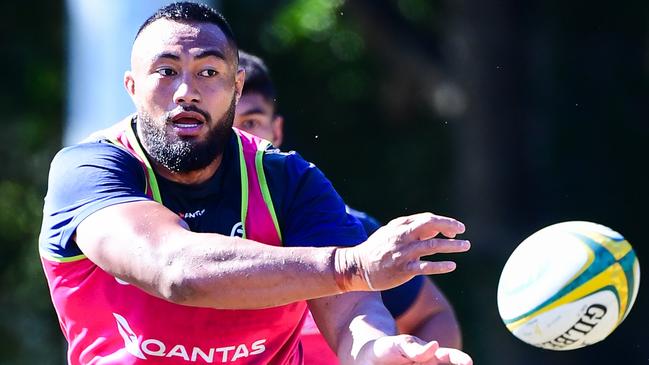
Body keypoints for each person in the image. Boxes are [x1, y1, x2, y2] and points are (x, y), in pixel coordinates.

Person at [39, 3, 472, 365]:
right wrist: (350, 267)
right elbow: (177, 271)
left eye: (209, 72)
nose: (186, 90)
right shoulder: (89, 171)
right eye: (166, 71)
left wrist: (377, 352)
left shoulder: (290, 180)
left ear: (236, 85)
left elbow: (352, 317)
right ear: (132, 87)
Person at [233, 51, 463, 364]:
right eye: (228, 126)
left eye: (251, 121)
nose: (241, 138)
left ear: (277, 131)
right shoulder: (170, 232)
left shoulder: (346, 230)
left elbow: (433, 315)